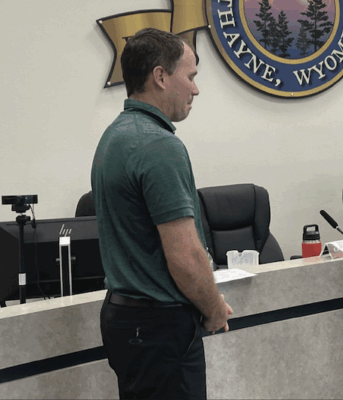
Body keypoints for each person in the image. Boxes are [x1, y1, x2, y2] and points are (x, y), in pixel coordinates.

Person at [91, 28, 232, 399]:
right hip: (161, 327)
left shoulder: (114, 137)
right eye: (191, 77)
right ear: (160, 76)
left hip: (125, 320)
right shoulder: (158, 145)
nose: (195, 90)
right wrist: (215, 309)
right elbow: (185, 257)